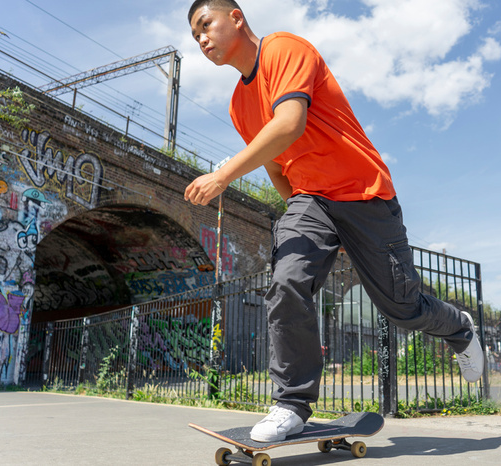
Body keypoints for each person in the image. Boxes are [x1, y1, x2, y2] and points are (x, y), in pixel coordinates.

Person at [185, 0, 484, 442]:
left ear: (236, 17)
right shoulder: (237, 105)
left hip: (365, 194)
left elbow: (288, 123)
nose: (202, 40)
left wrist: (223, 175)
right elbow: (276, 166)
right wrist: (305, 219)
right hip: (310, 199)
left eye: (205, 26)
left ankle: (458, 326)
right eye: (195, 37)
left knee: (402, 308)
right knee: (286, 280)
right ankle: (291, 403)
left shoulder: (284, 49)